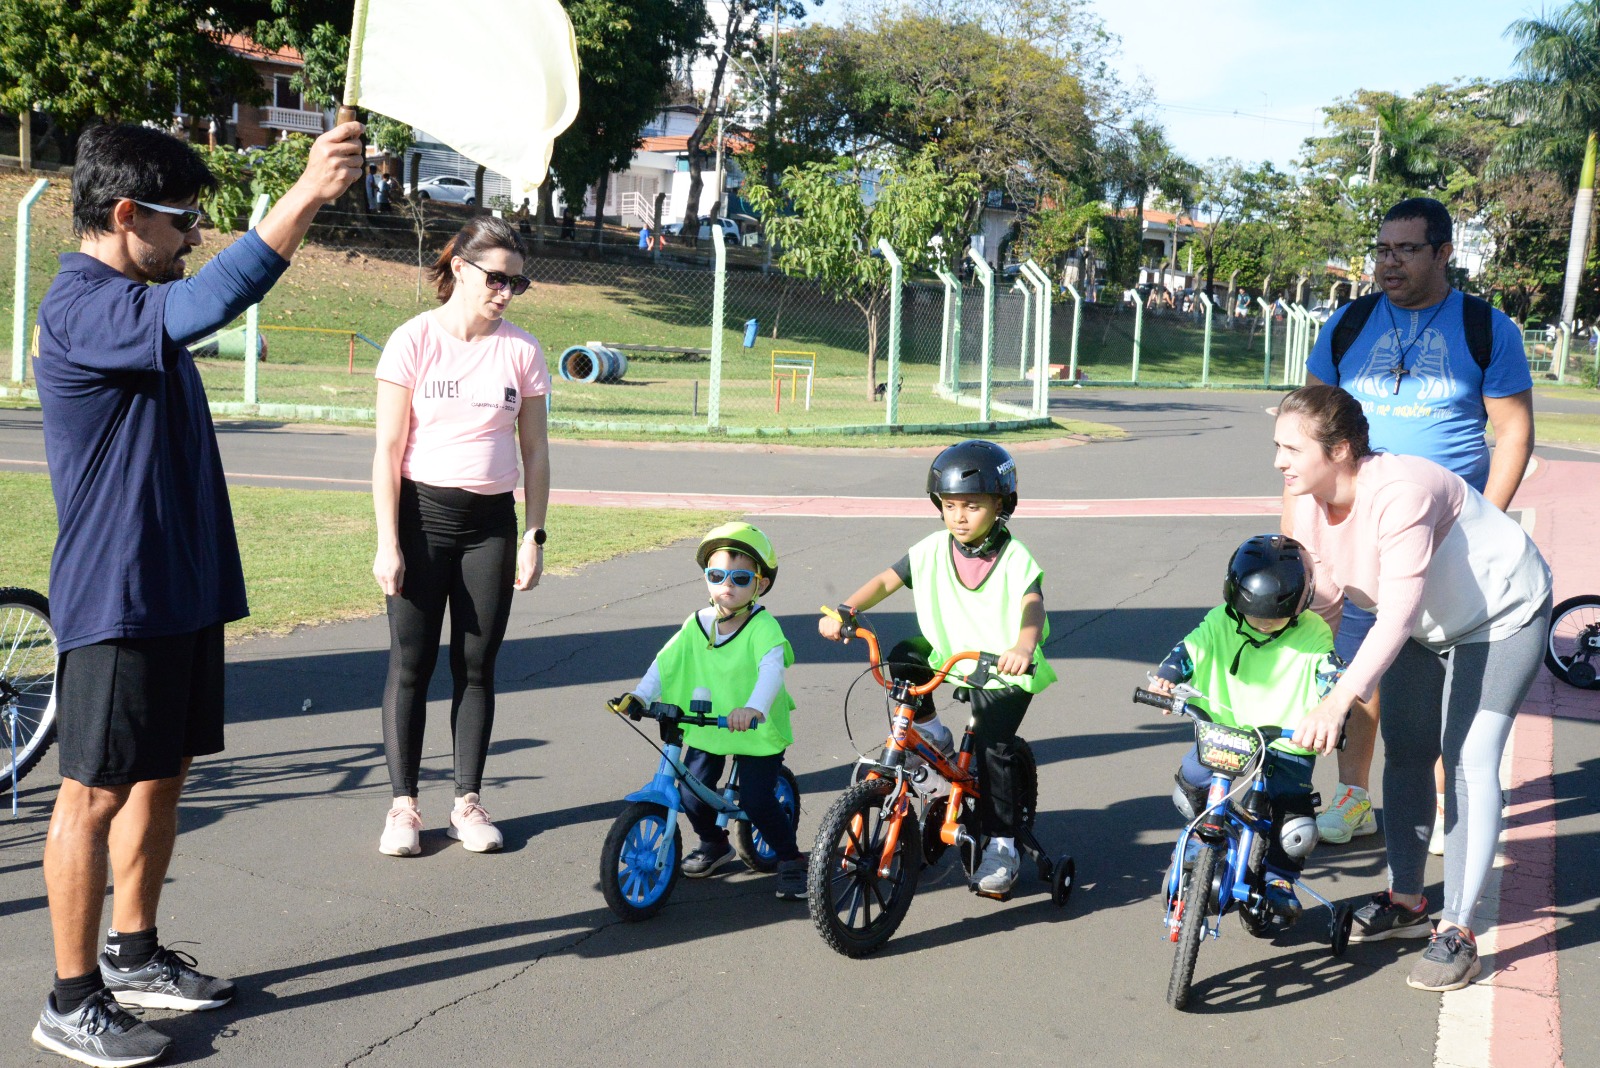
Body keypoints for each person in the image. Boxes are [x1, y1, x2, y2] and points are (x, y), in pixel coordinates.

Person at [29, 120, 362, 1066]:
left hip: (181, 588)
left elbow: (195, 298)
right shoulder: (81, 304)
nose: (194, 235)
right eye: (181, 219)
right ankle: (70, 1000)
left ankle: (133, 956)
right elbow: (213, 299)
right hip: (119, 593)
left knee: (162, 773)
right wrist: (306, 194)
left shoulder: (136, 301)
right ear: (124, 215)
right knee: (92, 792)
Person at [1277, 384, 1551, 992]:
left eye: (1292, 449)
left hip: (1501, 616)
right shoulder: (1308, 499)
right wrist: (1298, 675)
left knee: (1468, 759)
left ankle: (1458, 930)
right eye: (1278, 447)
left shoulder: (1401, 491)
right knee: (1405, 751)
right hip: (1426, 628)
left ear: (1340, 450)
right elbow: (1326, 601)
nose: (1279, 462)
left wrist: (1339, 699)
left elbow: (1396, 614)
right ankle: (1406, 900)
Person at [1293, 197, 1535, 849]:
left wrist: (1485, 524)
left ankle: (1441, 798)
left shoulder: (1486, 329)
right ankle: (1351, 796)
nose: (1389, 262)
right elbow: (1309, 432)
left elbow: (1512, 434)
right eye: (1382, 249)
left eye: (1406, 249)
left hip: (1447, 540)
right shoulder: (1348, 325)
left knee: (1442, 681)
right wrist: (1304, 537)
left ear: (1443, 253)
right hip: (1357, 533)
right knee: (1355, 666)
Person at [371, 215, 551, 858]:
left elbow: (536, 450)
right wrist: (387, 541)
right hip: (420, 519)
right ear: (459, 268)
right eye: (496, 278)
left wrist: (534, 535)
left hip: (490, 526)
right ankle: (404, 807)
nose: (506, 292)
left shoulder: (522, 351)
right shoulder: (413, 340)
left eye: (516, 283)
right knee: (411, 664)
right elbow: (387, 449)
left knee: (476, 666)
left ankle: (467, 803)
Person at [818, 439, 1056, 896]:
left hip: (1003, 664)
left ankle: (1002, 845)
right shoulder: (931, 549)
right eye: (949, 505)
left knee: (993, 750)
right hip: (948, 651)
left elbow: (1033, 603)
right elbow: (887, 580)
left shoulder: (1014, 558)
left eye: (972, 506)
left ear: (1001, 505)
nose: (959, 516)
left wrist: (1024, 645)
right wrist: (847, 609)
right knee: (903, 658)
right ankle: (933, 737)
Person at [610, 523, 807, 900]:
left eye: (740, 578)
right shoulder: (697, 624)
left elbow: (771, 670)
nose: (726, 585)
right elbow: (665, 662)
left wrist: (753, 708)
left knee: (756, 800)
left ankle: (790, 858)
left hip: (755, 727)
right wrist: (639, 695)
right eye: (717, 576)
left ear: (761, 585)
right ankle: (714, 843)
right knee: (691, 794)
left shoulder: (763, 628)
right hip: (707, 724)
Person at [1147, 535, 1342, 913]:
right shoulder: (1220, 621)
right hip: (1225, 730)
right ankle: (1205, 836)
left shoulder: (1314, 630)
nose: (1264, 624)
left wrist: (1333, 708)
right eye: (1255, 616)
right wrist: (1167, 677)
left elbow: (1328, 671)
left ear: (1300, 604)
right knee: (1191, 783)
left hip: (1286, 738)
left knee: (1296, 824)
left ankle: (1280, 876)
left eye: (1276, 617)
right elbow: (1189, 650)